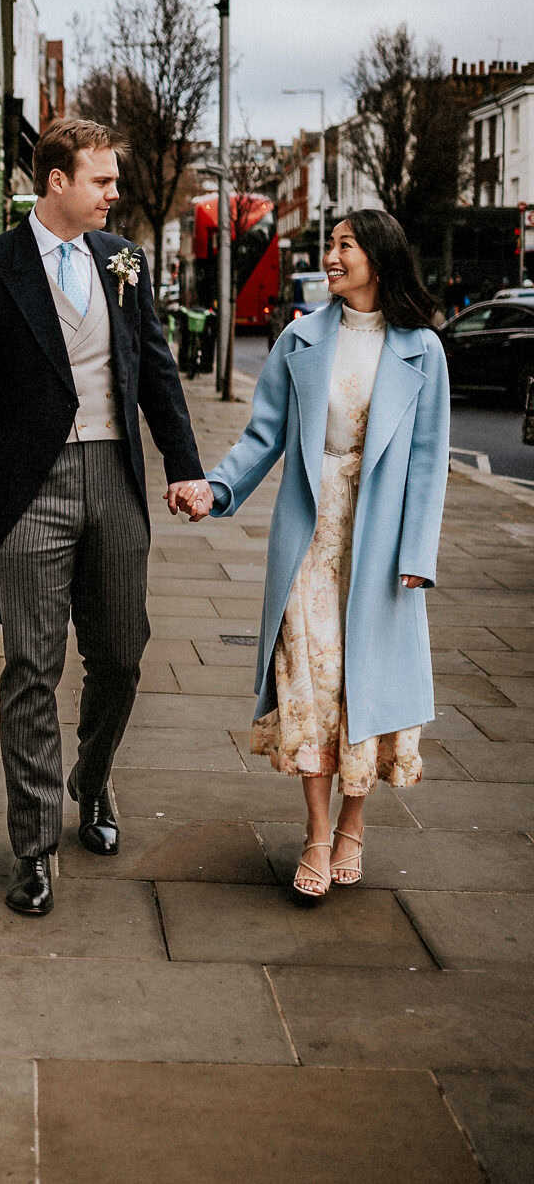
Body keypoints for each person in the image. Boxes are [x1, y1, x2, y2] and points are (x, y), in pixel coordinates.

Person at [0, 117, 207, 916]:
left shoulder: (124, 261)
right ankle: (34, 846)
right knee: (31, 667)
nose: (114, 194)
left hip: (115, 479)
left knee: (122, 653)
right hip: (29, 489)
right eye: (102, 180)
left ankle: (91, 780)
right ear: (56, 181)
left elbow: (154, 367)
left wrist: (185, 467)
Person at [190, 210, 449, 902]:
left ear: (378, 258)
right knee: (309, 680)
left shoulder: (422, 348)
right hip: (311, 533)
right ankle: (313, 830)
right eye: (330, 244)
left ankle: (353, 826)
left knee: (363, 685)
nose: (330, 256)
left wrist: (418, 550)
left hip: (383, 539)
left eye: (344, 245)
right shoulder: (300, 339)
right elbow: (262, 435)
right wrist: (215, 489)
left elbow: (429, 461)